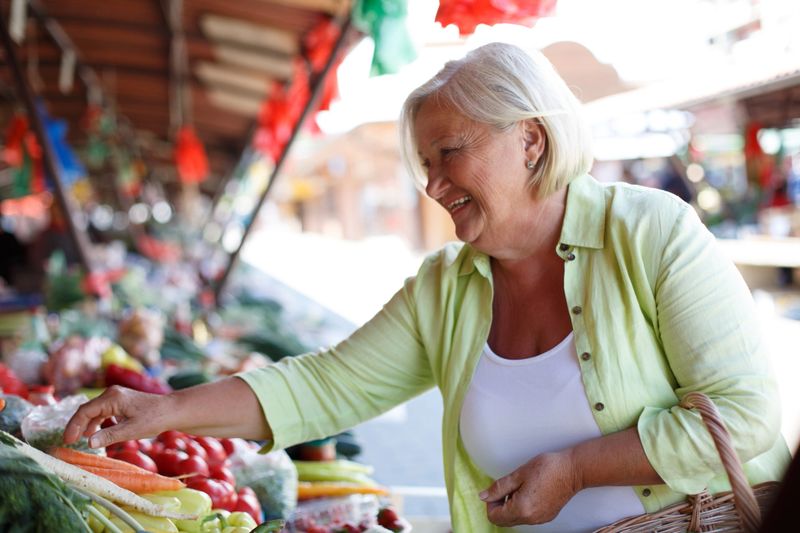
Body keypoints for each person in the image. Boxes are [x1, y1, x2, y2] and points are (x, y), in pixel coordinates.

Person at [65, 42, 790, 532]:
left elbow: (747, 412)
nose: (435, 185)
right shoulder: (446, 287)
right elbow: (321, 386)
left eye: (450, 153)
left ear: (530, 140)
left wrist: (573, 469)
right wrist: (162, 410)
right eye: (425, 165)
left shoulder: (652, 232)